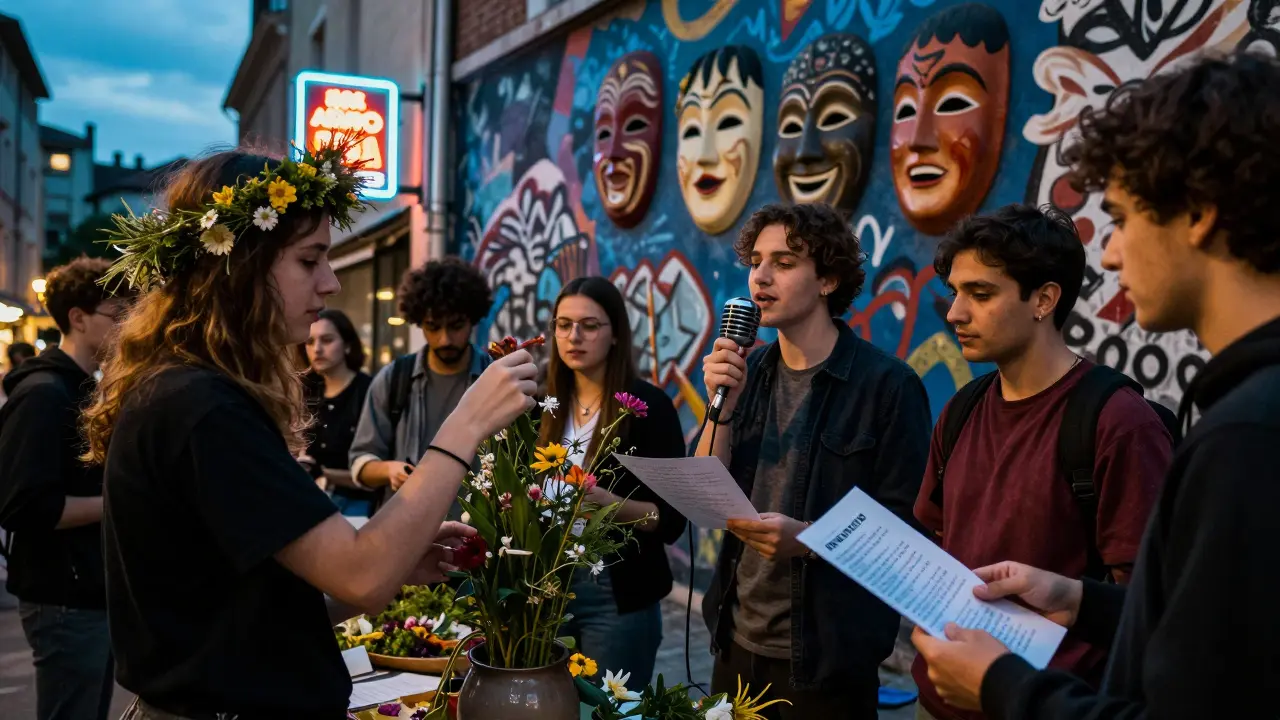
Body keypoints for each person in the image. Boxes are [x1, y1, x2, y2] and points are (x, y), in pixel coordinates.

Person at [80, 146, 539, 719]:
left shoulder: (194, 392)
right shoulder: (200, 406)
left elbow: (254, 611)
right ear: (238, 265)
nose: (331, 284)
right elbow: (360, 573)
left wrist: (396, 561)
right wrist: (466, 424)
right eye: (308, 260)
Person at [912, 51, 1280, 718]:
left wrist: (1003, 686)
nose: (1108, 253)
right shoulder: (1244, 417)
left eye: (1122, 217)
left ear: (1196, 212)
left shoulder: (1244, 436)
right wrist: (1078, 598)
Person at [911, 204, 1173, 720]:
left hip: (1047, 706)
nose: (955, 313)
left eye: (980, 294)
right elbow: (935, 542)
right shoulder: (961, 410)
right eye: (956, 292)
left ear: (1044, 300)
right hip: (938, 701)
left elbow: (1151, 604)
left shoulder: (1119, 423)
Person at [697, 202, 932, 719]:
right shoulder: (748, 370)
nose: (761, 275)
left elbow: (906, 531)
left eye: (784, 262)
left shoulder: (888, 387)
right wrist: (723, 406)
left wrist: (807, 541)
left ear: (827, 280)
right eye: (756, 261)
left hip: (828, 656)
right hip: (734, 638)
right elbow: (707, 491)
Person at [0, 257, 132, 720]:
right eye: (117, 316)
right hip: (63, 596)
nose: (125, 327)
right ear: (77, 317)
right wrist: (122, 501)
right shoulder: (43, 394)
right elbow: (25, 506)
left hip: (84, 589)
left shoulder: (78, 387)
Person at [538, 277, 687, 684]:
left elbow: (673, 518)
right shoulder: (539, 403)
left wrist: (608, 505)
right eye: (563, 324)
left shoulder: (648, 407)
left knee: (612, 711)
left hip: (618, 591)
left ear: (616, 334)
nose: (574, 336)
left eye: (589, 325)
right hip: (545, 585)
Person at [350, 257, 493, 516]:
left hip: (481, 538)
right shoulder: (394, 379)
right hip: (407, 532)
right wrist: (388, 470)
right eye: (433, 327)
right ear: (419, 322)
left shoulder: (495, 378)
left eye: (456, 325)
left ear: (473, 319)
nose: (445, 338)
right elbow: (360, 463)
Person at [300, 309, 376, 517]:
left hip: (360, 507)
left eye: (327, 340)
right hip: (313, 502)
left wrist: (325, 474)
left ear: (348, 344)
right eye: (309, 342)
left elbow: (379, 467)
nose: (317, 349)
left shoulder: (370, 391)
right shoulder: (307, 393)